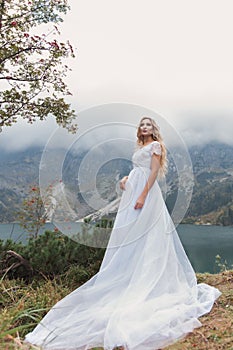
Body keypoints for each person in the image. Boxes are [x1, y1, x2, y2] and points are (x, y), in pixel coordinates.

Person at [25, 117, 221, 350]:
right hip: (133, 189)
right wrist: (127, 181)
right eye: (142, 125)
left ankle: (151, 276)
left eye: (148, 125)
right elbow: (140, 170)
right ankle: (132, 271)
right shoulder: (139, 148)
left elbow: (153, 173)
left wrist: (142, 195)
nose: (144, 128)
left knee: (148, 233)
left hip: (146, 193)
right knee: (131, 234)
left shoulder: (156, 146)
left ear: (154, 130)